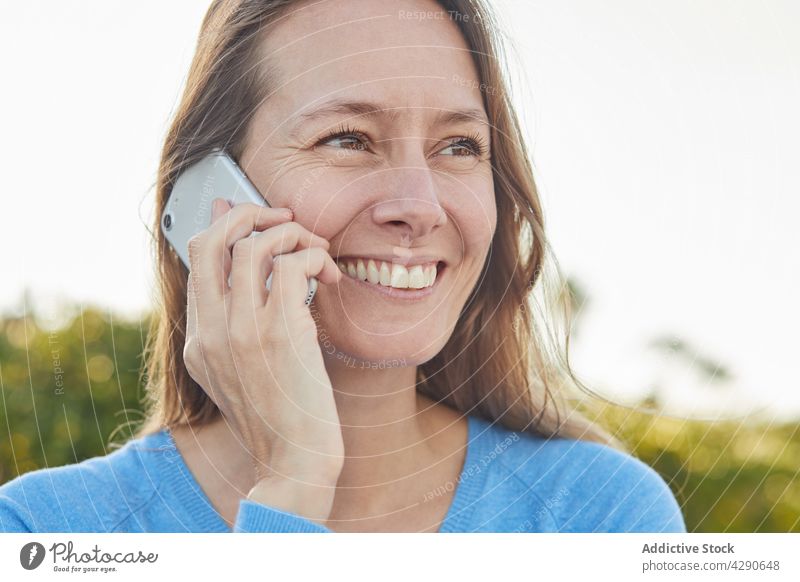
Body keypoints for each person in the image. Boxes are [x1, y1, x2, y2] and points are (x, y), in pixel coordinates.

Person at [0, 0, 685, 533]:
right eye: (348, 139)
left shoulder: (601, 517)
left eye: (459, 146)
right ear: (210, 195)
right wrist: (292, 486)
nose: (420, 206)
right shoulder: (45, 530)